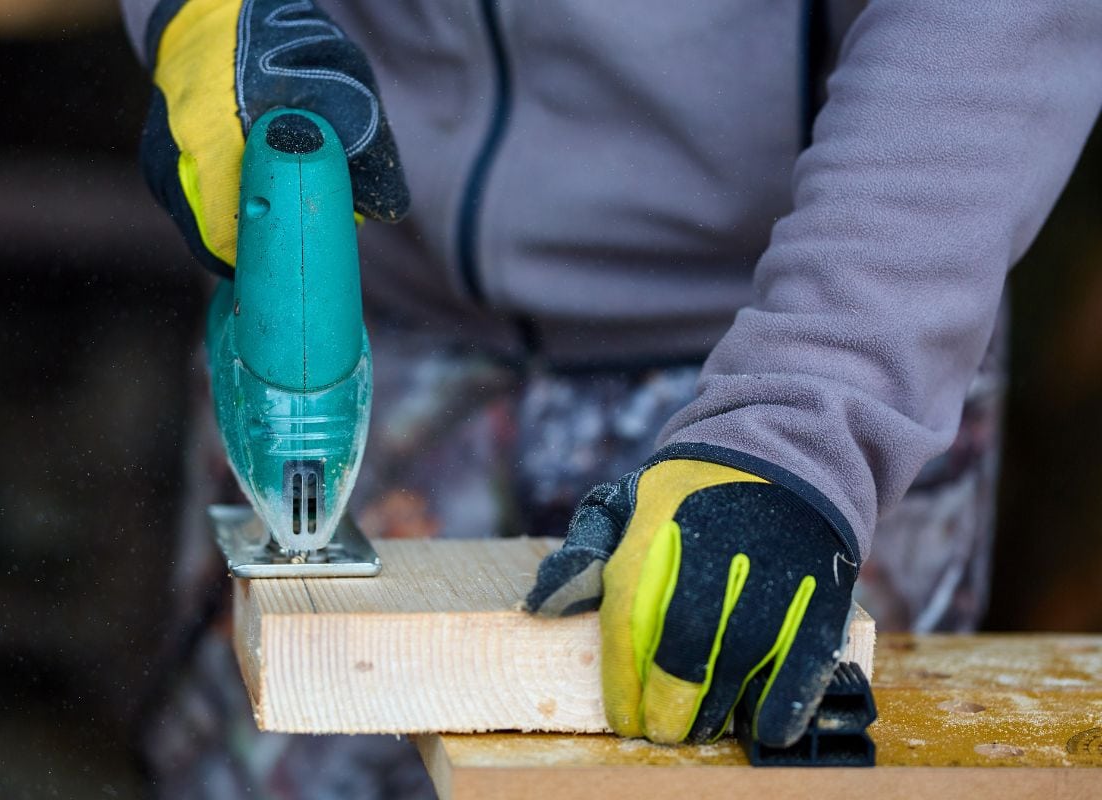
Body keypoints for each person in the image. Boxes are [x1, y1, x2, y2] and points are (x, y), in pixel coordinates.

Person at [121, 0, 1102, 795]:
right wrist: (196, 13)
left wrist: (815, 412)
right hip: (378, 295)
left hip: (796, 345)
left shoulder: (815, 384)